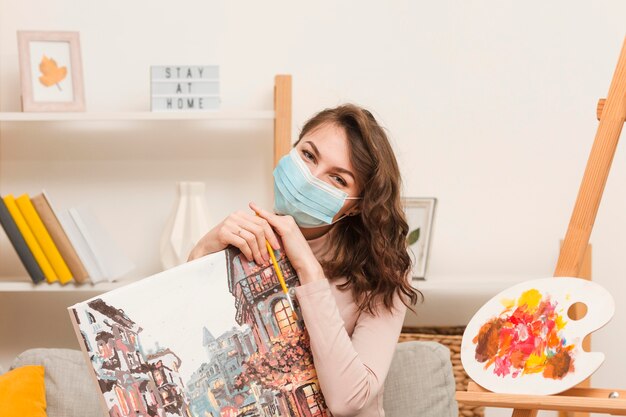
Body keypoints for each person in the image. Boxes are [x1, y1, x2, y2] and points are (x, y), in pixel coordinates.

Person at [187, 104, 421, 417]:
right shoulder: (247, 241)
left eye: (337, 179)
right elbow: (191, 335)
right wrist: (202, 251)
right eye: (308, 155)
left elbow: (349, 401)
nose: (310, 179)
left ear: (354, 206)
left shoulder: (383, 274)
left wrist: (308, 269)